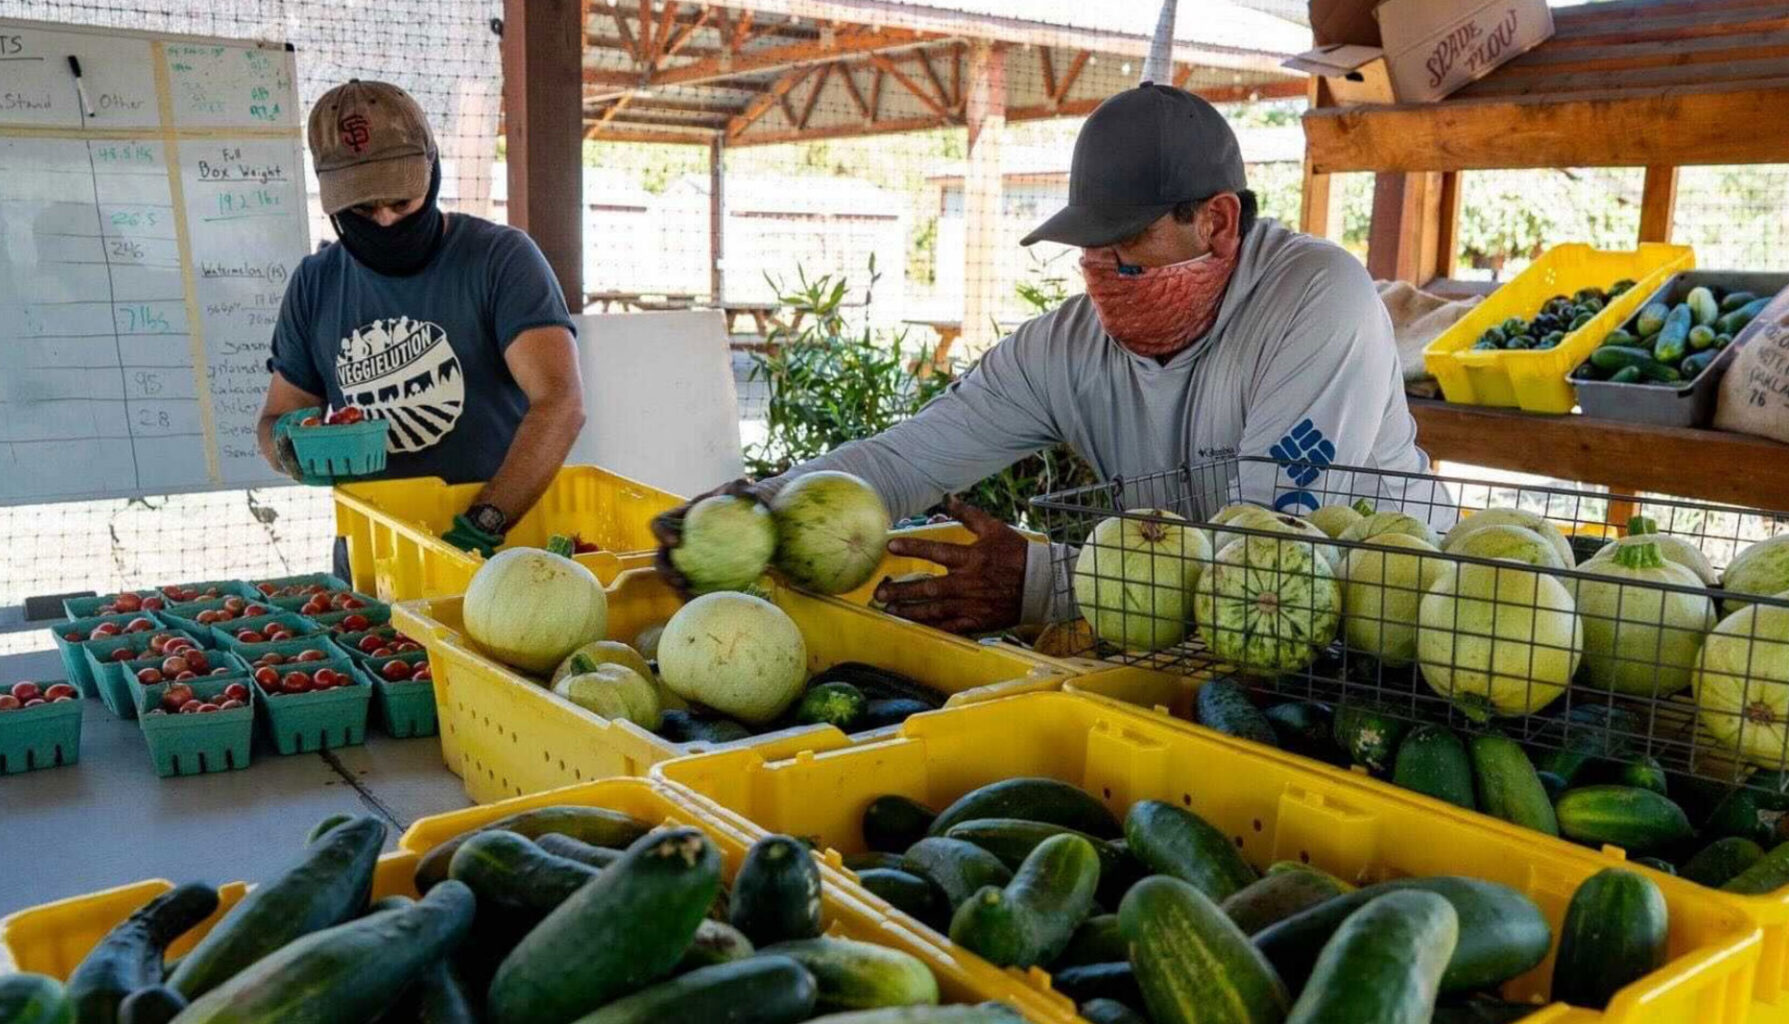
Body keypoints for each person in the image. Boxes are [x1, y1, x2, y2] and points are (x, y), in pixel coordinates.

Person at [658, 83, 1434, 635]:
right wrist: (759, 508)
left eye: (1126, 240)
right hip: (1198, 649)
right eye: (1088, 245)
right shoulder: (1064, 350)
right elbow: (905, 462)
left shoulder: (1315, 301)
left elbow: (1270, 567)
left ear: (1218, 222)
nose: (1101, 266)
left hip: (1395, 642)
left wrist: (1044, 583)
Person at [257, 80, 585, 558]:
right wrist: (290, 447)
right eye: (363, 208)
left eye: (401, 201)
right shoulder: (314, 284)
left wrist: (482, 524)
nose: (386, 220)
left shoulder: (501, 260)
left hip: (498, 552)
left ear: (431, 170)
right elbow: (275, 420)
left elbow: (560, 403)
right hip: (374, 554)